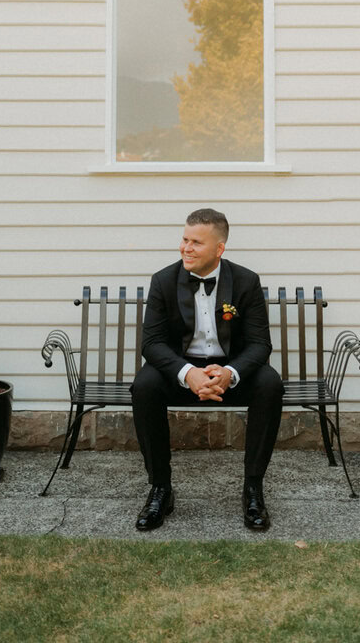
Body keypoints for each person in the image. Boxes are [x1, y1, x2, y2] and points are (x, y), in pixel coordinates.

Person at [131, 208, 284, 532]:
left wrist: (230, 373)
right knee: (144, 385)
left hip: (230, 370)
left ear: (219, 249)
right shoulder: (163, 280)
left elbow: (260, 344)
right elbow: (152, 343)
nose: (186, 248)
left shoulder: (246, 281)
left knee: (270, 384)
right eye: (184, 239)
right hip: (181, 369)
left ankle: (253, 489)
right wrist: (189, 373)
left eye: (196, 242)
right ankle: (161, 489)